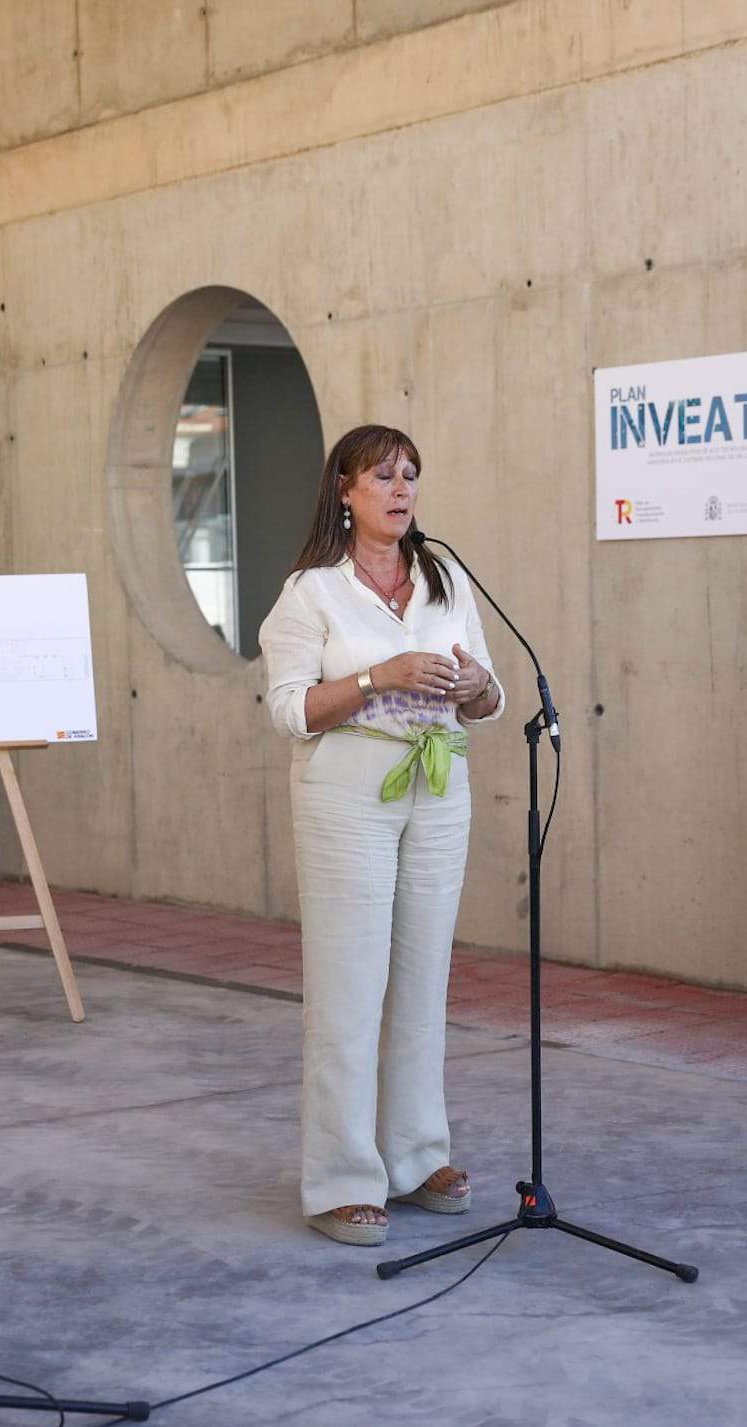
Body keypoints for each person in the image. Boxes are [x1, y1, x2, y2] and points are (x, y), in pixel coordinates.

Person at [259, 425, 504, 1246]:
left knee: (423, 976)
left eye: (411, 476)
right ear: (345, 489)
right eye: (383, 475)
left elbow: (491, 694)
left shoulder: (445, 577)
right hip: (346, 793)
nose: (401, 489)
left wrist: (474, 684)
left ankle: (415, 1151)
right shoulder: (311, 593)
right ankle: (341, 1176)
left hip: (439, 785)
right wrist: (376, 678)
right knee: (349, 986)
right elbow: (292, 710)